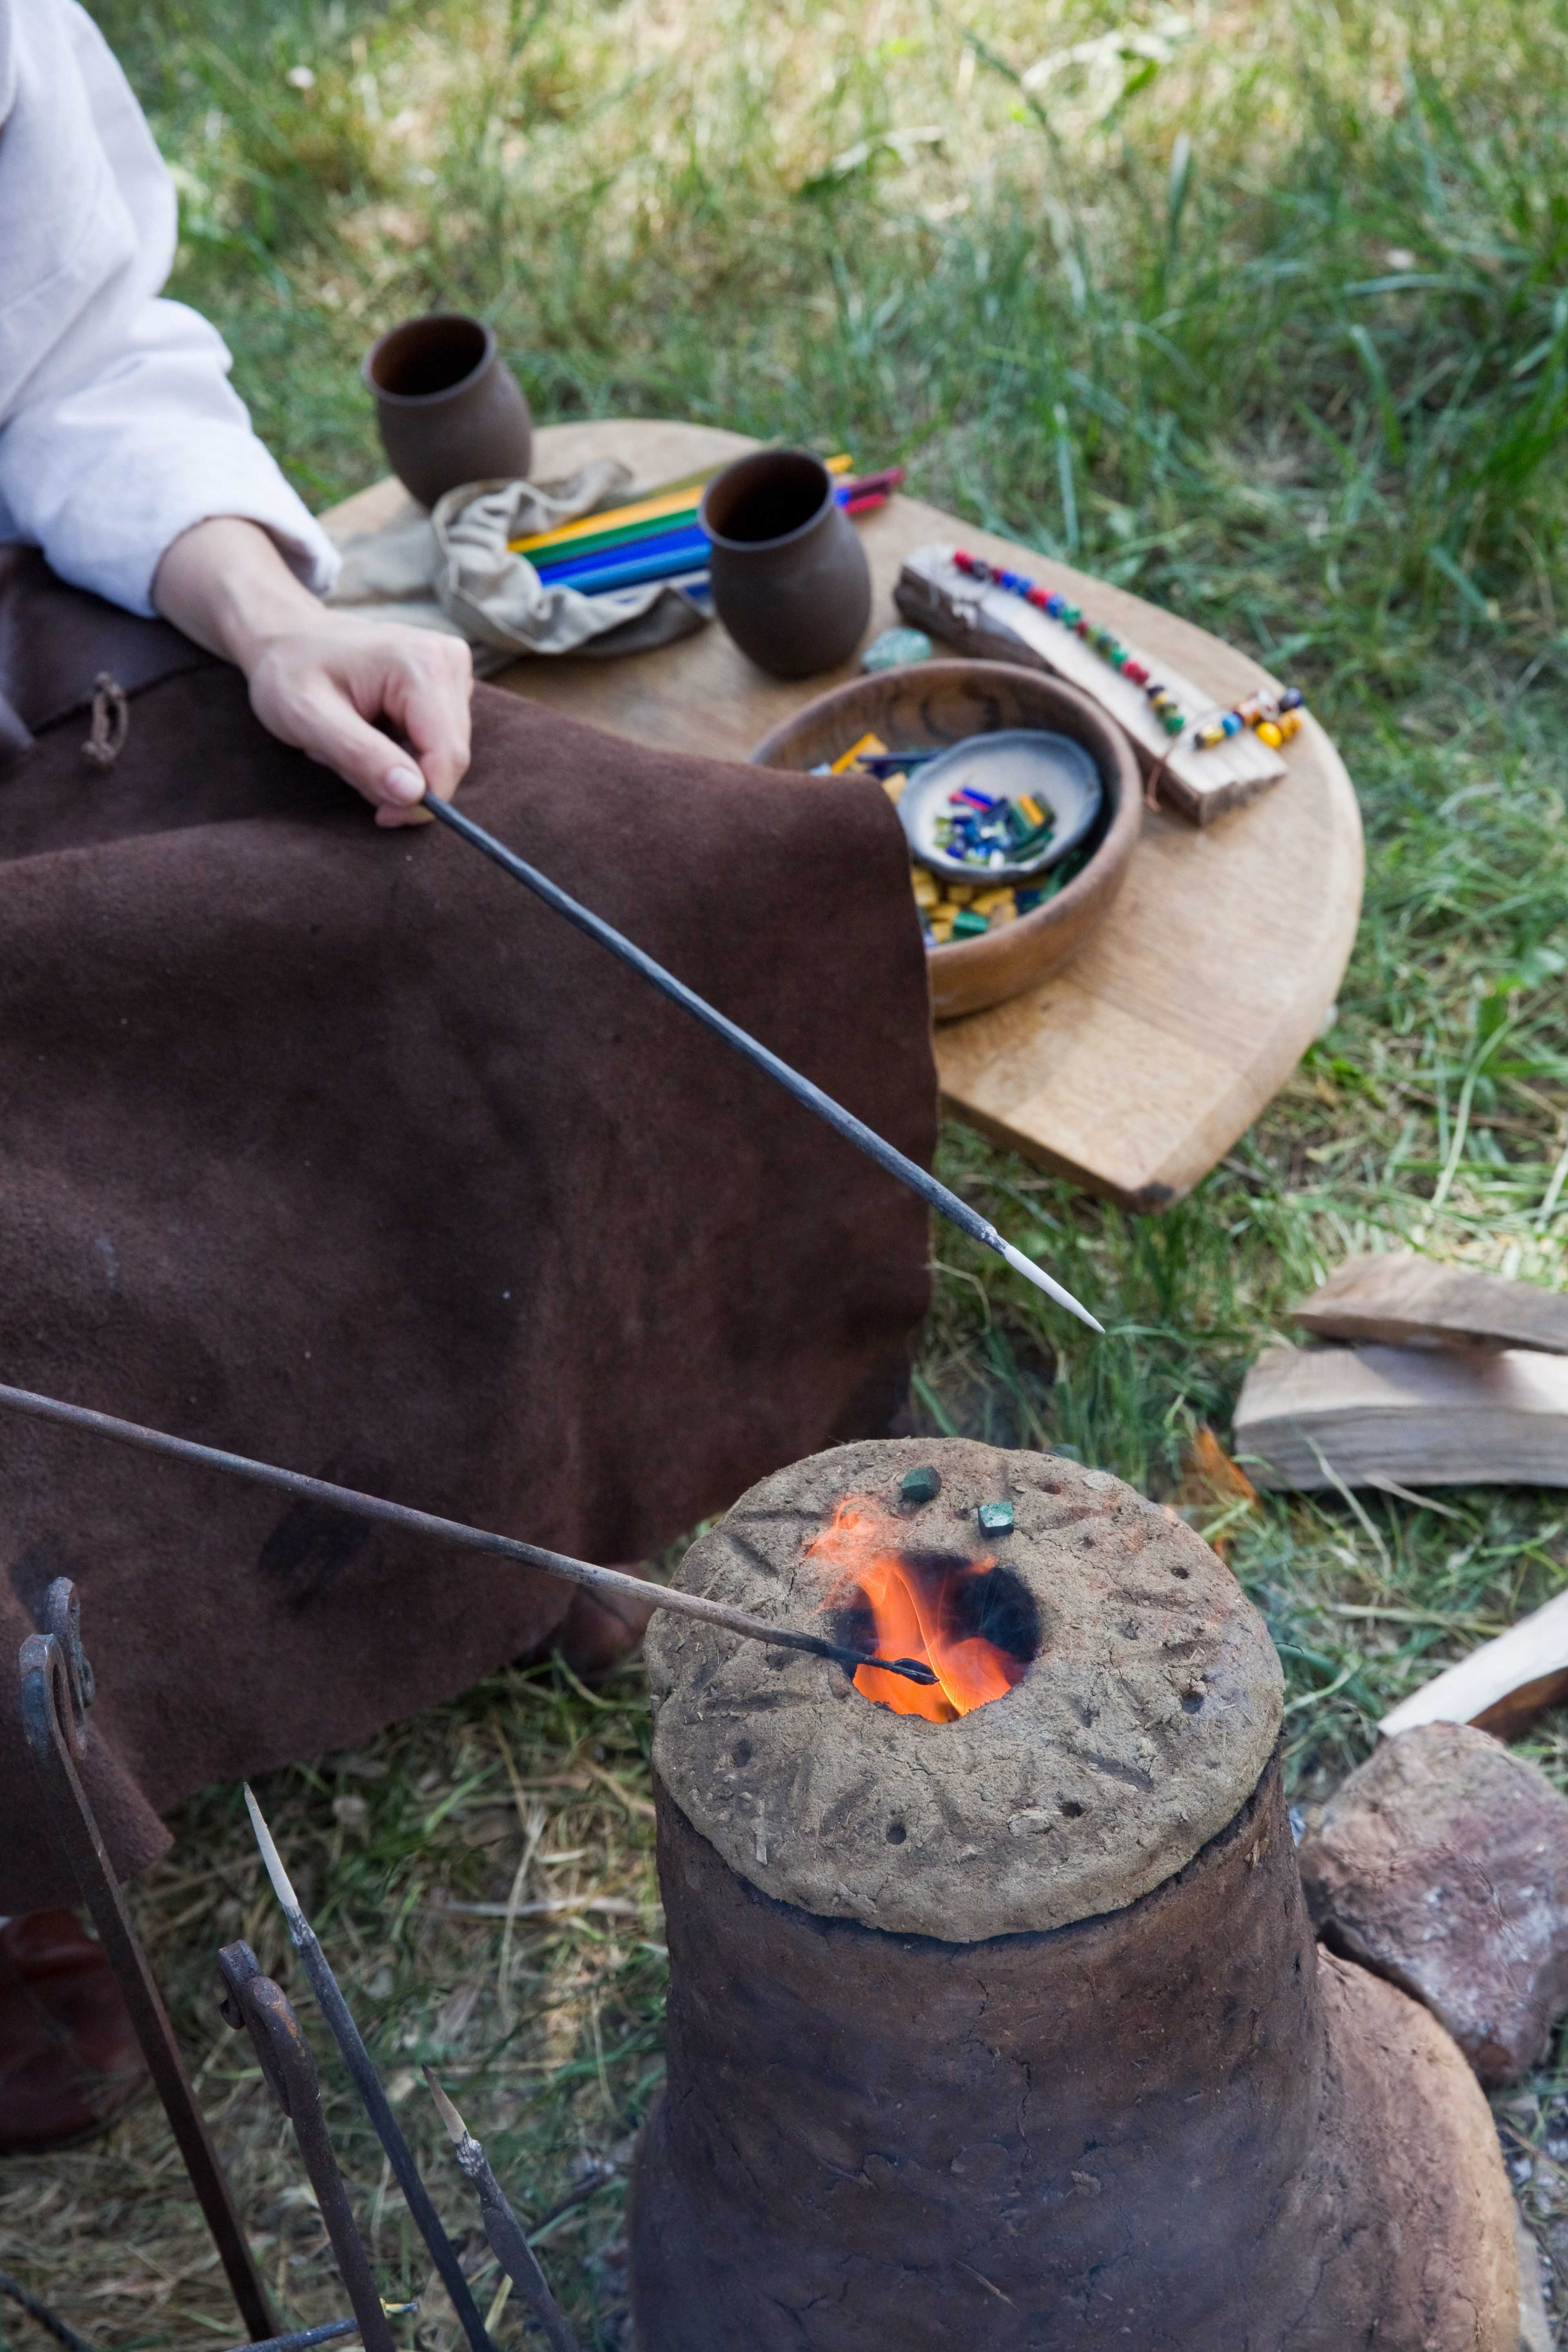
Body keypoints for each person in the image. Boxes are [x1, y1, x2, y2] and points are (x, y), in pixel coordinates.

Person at [0, 0, 935, 2152]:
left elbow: (66, 359)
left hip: (43, 688)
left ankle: (584, 1474)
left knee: (541, 889)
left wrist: (263, 612)